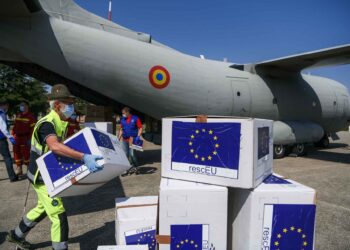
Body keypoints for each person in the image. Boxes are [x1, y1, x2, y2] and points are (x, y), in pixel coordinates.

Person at [7, 84, 104, 250]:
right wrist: (83, 157)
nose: (71, 106)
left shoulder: (61, 121)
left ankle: (16, 235)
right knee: (58, 215)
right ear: (58, 105)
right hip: (41, 176)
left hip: (48, 174)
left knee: (43, 208)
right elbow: (55, 146)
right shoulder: (47, 124)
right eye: (68, 103)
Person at [12, 101, 36, 176]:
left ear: (27, 106)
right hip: (17, 138)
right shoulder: (19, 115)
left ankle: (30, 170)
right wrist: (13, 135)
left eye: (22, 105)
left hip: (26, 138)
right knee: (17, 153)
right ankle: (19, 169)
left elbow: (33, 129)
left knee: (26, 155)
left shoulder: (31, 116)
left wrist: (31, 139)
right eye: (20, 105)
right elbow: (15, 127)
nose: (21, 107)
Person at [118, 107, 142, 173]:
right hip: (124, 139)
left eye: (123, 113)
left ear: (127, 112)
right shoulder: (122, 119)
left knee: (132, 154)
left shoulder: (135, 118)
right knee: (125, 154)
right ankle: (126, 168)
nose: (122, 114)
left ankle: (136, 167)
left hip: (133, 139)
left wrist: (138, 136)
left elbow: (140, 128)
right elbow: (121, 129)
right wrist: (118, 138)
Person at [0, 100, 18, 182]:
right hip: (1, 140)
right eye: (7, 106)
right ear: (4, 105)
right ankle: (12, 177)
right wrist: (10, 137)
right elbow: (3, 127)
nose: (7, 108)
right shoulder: (1, 113)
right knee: (7, 158)